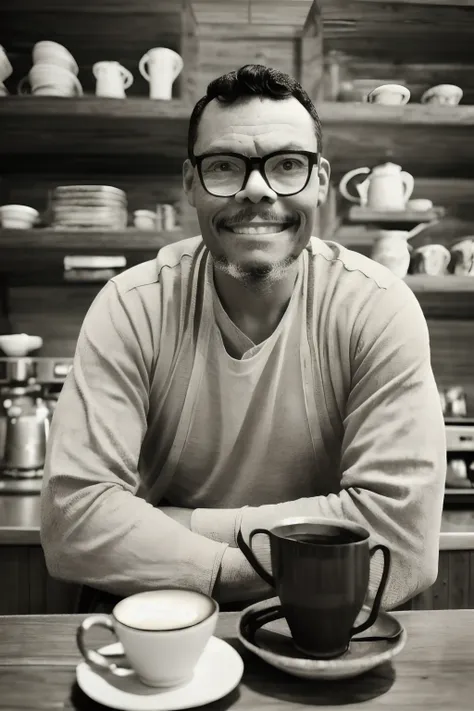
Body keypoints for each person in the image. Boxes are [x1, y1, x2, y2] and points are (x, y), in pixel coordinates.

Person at [40, 64, 446, 614]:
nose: (257, 190)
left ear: (321, 180)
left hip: (320, 625)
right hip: (155, 618)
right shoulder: (132, 305)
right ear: (190, 184)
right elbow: (75, 519)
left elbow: (400, 543)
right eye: (226, 167)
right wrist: (249, 570)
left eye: (286, 165)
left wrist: (177, 526)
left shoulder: (377, 307)